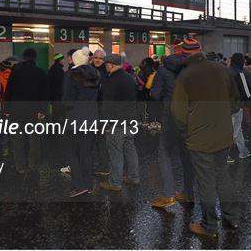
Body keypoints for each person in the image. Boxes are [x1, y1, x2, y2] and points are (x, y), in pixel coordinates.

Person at [171, 43, 240, 238]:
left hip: (199, 138)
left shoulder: (184, 76)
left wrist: (187, 131)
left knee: (206, 182)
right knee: (222, 176)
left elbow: (178, 112)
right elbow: (235, 101)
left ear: (184, 54)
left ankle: (209, 225)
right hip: (223, 134)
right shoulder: (222, 69)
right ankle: (232, 217)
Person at [149, 38, 195, 208]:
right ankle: (188, 193)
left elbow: (155, 94)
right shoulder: (192, 69)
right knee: (187, 155)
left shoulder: (163, 69)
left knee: (165, 153)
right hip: (190, 116)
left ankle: (168, 196)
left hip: (170, 115)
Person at [4, 48, 49, 174]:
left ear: (23, 58)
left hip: (16, 111)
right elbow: (45, 94)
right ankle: (33, 164)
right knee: (34, 139)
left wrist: (6, 109)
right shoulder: (41, 72)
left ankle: (20, 166)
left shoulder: (15, 71)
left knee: (17, 139)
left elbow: (9, 91)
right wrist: (43, 110)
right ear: (35, 58)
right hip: (33, 112)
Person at [62, 47, 100, 197]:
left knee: (71, 152)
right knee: (87, 153)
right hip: (91, 118)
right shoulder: (95, 74)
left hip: (75, 119)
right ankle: (89, 185)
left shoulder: (72, 75)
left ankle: (79, 186)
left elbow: (67, 100)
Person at [100, 54, 140, 191]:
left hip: (116, 123)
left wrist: (106, 123)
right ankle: (134, 177)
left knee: (115, 152)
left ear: (111, 64)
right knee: (130, 149)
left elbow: (108, 105)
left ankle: (115, 183)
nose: (105, 66)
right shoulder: (129, 78)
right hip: (130, 120)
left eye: (106, 64)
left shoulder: (111, 81)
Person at [227, 53, 251, 163]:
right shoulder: (240, 73)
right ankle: (225, 155)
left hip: (224, 105)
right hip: (236, 106)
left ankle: (243, 151)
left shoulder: (225, 71)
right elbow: (246, 93)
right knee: (234, 131)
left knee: (238, 131)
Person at [91, 48, 110, 176]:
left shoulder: (107, 73)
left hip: (101, 109)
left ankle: (103, 166)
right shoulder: (87, 70)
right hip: (89, 109)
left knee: (101, 138)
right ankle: (93, 163)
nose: (97, 60)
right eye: (95, 57)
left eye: (100, 58)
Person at [48, 53, 66, 167]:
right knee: (59, 115)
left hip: (53, 98)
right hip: (59, 98)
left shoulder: (51, 70)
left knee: (55, 115)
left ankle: (54, 129)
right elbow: (61, 86)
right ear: (59, 60)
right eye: (62, 59)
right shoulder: (60, 71)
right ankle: (57, 131)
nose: (64, 61)